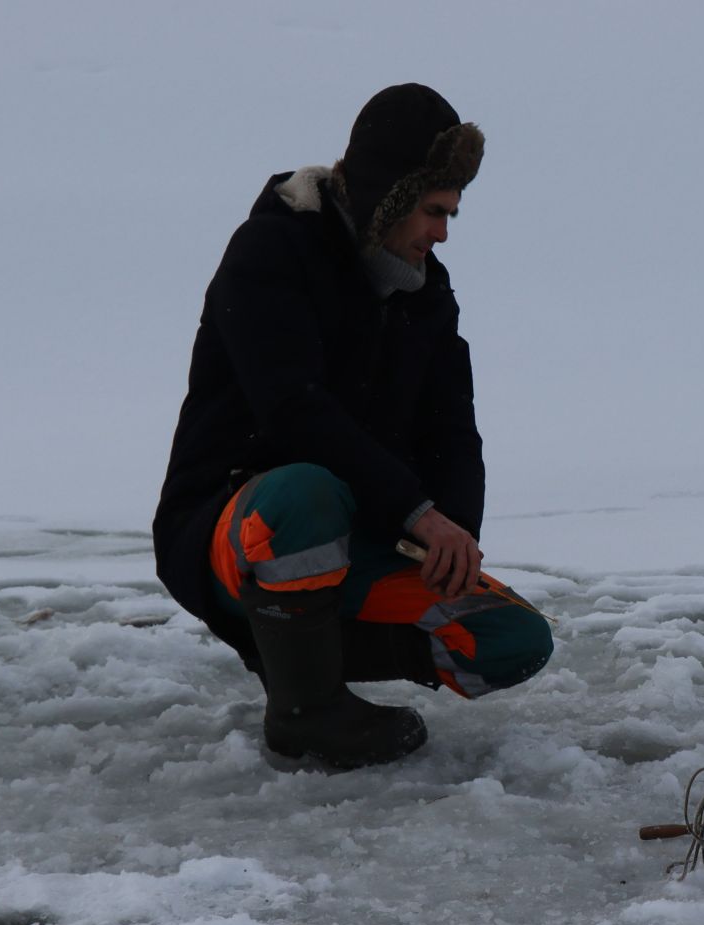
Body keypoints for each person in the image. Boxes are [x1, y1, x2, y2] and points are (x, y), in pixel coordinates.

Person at [153, 84, 552, 769]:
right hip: (235, 530)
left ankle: (302, 657)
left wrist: (454, 536)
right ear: (388, 196)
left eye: (452, 214)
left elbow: (452, 427)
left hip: (356, 535)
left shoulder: (425, 292)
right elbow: (294, 412)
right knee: (304, 490)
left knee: (510, 639)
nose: (443, 233)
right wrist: (417, 514)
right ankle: (306, 712)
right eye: (432, 211)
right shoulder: (271, 253)